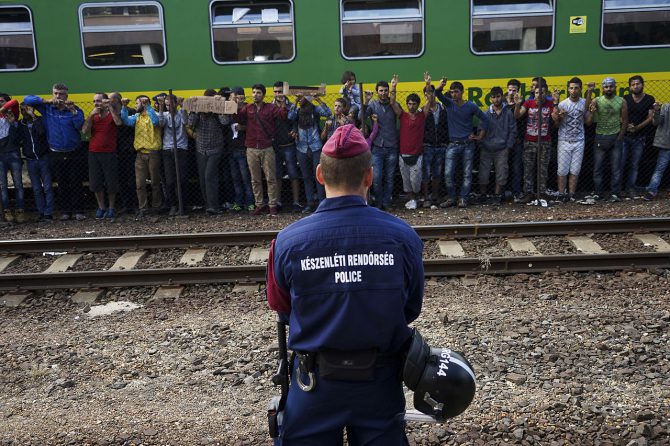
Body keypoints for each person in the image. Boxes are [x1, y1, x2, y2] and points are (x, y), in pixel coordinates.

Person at [266, 123, 423, 444]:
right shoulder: (403, 237)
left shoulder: (287, 242)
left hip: (313, 386)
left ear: (320, 174)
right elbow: (410, 307)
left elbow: (281, 308)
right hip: (380, 383)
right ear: (369, 176)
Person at [24, 83, 86, 221]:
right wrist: (46, 100)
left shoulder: (75, 109)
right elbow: (27, 99)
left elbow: (79, 126)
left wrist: (73, 111)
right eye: (56, 93)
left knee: (76, 182)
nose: (58, 96)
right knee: (62, 183)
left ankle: (79, 211)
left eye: (61, 94)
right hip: (56, 152)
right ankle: (66, 212)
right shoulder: (47, 109)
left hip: (74, 151)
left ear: (67, 95)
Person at [435, 75, 490, 208]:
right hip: (453, 144)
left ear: (462, 92)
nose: (454, 94)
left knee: (467, 173)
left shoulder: (470, 106)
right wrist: (441, 85)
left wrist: (480, 136)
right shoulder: (449, 103)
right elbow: (437, 93)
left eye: (456, 91)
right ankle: (452, 197)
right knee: (448, 173)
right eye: (452, 92)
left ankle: (463, 198)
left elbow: (485, 119)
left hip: (468, 144)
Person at [237, 83, 289, 216]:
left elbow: (283, 116)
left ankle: (272, 205)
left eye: (258, 93)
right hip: (251, 147)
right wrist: (235, 105)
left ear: (264, 95)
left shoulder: (271, 108)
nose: (255, 95)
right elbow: (238, 119)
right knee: (255, 179)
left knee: (271, 178)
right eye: (253, 92)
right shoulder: (247, 108)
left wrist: (283, 103)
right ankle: (259, 205)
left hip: (267, 147)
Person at [390, 75, 433, 210]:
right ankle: (412, 200)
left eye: (414, 104)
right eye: (409, 103)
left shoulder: (422, 115)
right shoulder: (402, 115)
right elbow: (392, 102)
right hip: (403, 154)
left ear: (417, 104)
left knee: (415, 182)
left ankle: (416, 197)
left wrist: (427, 84)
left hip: (417, 155)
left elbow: (430, 100)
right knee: (406, 181)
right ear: (407, 104)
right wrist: (393, 87)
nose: (411, 106)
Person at [585, 77, 628, 202]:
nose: (609, 88)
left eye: (611, 86)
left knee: (616, 169)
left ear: (615, 87)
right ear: (602, 88)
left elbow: (625, 120)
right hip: (600, 137)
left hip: (615, 137)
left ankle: (615, 193)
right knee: (598, 168)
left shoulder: (621, 101)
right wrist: (590, 93)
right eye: (606, 86)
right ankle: (599, 193)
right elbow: (586, 110)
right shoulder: (597, 100)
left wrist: (620, 137)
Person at [187, 89, 229, 215]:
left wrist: (218, 106)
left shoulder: (217, 113)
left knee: (209, 176)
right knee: (203, 179)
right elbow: (190, 123)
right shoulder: (199, 113)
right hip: (201, 148)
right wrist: (195, 109)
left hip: (215, 148)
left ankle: (213, 206)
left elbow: (225, 122)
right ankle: (208, 205)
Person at [81, 92, 123, 220]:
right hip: (94, 153)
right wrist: (91, 115)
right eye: (94, 101)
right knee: (96, 182)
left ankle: (111, 207)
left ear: (105, 101)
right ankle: (101, 207)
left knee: (111, 182)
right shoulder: (93, 116)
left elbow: (118, 123)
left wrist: (110, 107)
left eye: (98, 101)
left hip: (109, 153)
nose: (96, 104)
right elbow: (84, 131)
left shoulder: (112, 114)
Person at [121, 94, 163, 219]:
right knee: (139, 184)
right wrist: (124, 107)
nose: (136, 105)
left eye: (137, 103)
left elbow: (156, 122)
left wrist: (148, 107)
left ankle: (156, 206)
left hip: (153, 153)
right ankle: (143, 208)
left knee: (155, 182)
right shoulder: (137, 117)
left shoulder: (153, 114)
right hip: (140, 154)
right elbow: (126, 121)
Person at [551, 78, 594, 202]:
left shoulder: (585, 103)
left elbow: (588, 122)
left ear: (580, 89)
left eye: (576, 88)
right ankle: (560, 193)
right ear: (568, 89)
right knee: (562, 169)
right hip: (564, 140)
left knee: (575, 169)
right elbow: (556, 125)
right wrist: (560, 117)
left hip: (579, 140)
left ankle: (571, 195)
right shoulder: (562, 104)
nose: (573, 90)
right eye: (571, 88)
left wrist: (591, 113)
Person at [288, 92, 332, 213]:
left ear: (308, 99)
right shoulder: (297, 111)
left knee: (319, 176)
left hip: (315, 146)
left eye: (302, 97)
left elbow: (328, 113)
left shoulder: (315, 110)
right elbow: (290, 116)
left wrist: (318, 100)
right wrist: (296, 101)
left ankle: (322, 203)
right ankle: (310, 203)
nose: (300, 99)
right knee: (306, 177)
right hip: (301, 148)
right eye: (299, 97)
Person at [360, 79, 399, 210]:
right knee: (376, 178)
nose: (383, 93)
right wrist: (366, 101)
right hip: (377, 147)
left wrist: (394, 88)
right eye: (381, 91)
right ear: (377, 92)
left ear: (388, 91)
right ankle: (379, 203)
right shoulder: (372, 104)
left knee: (389, 178)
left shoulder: (394, 105)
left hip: (392, 146)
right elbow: (361, 117)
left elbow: (402, 115)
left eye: (385, 90)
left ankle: (387, 203)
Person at [514, 81, 554, 200]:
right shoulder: (528, 103)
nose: (539, 95)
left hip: (545, 141)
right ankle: (528, 193)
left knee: (543, 169)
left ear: (545, 93)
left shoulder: (550, 103)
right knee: (528, 168)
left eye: (541, 92)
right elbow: (517, 115)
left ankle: (541, 192)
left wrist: (556, 105)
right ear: (534, 93)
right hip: (529, 141)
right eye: (536, 92)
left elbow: (556, 118)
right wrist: (517, 105)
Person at [479, 86, 516, 205]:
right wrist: (482, 144)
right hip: (486, 148)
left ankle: (497, 195)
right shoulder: (486, 113)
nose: (496, 99)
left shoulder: (508, 113)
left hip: (502, 149)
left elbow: (513, 130)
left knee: (501, 173)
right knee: (483, 173)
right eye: (493, 97)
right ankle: (483, 195)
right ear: (490, 99)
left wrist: (508, 146)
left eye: (498, 96)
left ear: (502, 97)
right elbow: (481, 129)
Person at [18, 102, 54, 221]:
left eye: (27, 109)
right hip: (31, 159)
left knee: (47, 186)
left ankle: (48, 212)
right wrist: (12, 123)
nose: (25, 112)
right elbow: (18, 140)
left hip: (43, 158)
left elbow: (42, 133)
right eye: (22, 110)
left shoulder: (40, 120)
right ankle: (41, 212)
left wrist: (34, 117)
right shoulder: (21, 124)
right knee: (37, 188)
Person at [621, 75, 655, 198]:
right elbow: (621, 115)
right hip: (624, 136)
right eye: (633, 84)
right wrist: (627, 124)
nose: (636, 86)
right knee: (621, 163)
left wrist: (637, 128)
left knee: (634, 165)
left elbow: (650, 118)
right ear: (630, 87)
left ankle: (631, 188)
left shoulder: (649, 99)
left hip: (640, 137)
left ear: (642, 84)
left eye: (638, 83)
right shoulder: (625, 99)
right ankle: (618, 189)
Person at [272, 82, 302, 213]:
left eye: (280, 91)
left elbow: (296, 122)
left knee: (293, 174)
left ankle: (296, 202)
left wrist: (294, 130)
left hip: (289, 145)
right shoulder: (270, 107)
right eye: (276, 92)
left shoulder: (292, 106)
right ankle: (278, 202)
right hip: (275, 146)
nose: (278, 94)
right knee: (277, 175)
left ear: (285, 92)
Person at [158, 94, 189, 216]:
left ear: (175, 104)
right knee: (170, 180)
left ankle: (183, 205)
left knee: (182, 179)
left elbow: (186, 121)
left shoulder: (181, 113)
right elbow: (160, 124)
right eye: (166, 105)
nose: (168, 107)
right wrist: (161, 108)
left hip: (181, 148)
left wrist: (182, 106)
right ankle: (173, 205)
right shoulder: (165, 115)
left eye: (170, 104)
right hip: (168, 149)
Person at [420, 83, 449, 208]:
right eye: (427, 93)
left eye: (432, 92)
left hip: (441, 144)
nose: (430, 95)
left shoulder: (443, 108)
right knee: (425, 173)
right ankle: (426, 197)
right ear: (424, 95)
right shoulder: (422, 110)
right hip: (427, 145)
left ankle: (435, 196)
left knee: (437, 172)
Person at [109, 92, 137, 215]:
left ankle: (135, 205)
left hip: (130, 150)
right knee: (121, 180)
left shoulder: (130, 111)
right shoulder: (109, 114)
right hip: (116, 151)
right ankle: (126, 205)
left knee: (132, 179)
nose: (108, 101)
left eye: (110, 99)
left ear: (117, 100)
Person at [228, 87, 255, 212]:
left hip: (243, 148)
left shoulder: (247, 109)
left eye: (238, 97)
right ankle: (238, 202)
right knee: (236, 178)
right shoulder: (228, 109)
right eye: (234, 97)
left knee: (245, 177)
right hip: (231, 148)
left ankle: (250, 201)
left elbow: (252, 126)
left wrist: (242, 127)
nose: (236, 99)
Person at [0, 94, 24, 223]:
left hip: (13, 153)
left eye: (2, 101)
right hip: (0, 156)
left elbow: (14, 101)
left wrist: (12, 122)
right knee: (3, 186)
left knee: (18, 184)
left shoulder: (12, 115)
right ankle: (7, 212)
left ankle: (20, 211)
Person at [643, 101, 670, 200]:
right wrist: (657, 111)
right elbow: (656, 122)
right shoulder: (666, 107)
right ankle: (652, 190)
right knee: (659, 169)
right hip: (666, 144)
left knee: (659, 169)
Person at [505, 79, 526, 202]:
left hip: (517, 141)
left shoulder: (522, 103)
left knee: (517, 168)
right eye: (510, 90)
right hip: (504, 141)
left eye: (515, 90)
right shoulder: (502, 102)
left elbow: (515, 117)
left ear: (518, 91)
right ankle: (502, 193)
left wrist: (515, 104)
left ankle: (516, 193)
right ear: (507, 89)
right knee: (503, 167)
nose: (512, 92)